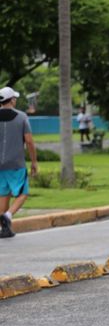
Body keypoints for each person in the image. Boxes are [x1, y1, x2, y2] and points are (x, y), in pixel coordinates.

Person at [0, 87, 38, 239]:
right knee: (23, 193)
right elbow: (29, 140)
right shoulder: (21, 117)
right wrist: (34, 161)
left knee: (3, 194)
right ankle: (8, 216)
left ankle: (4, 229)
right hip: (16, 163)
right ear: (12, 100)